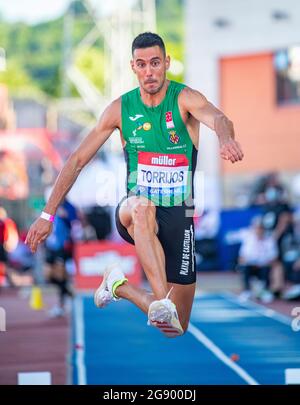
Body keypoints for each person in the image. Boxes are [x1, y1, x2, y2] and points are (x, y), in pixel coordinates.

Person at [25, 32, 244, 337]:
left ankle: (120, 286)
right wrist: (47, 215)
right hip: (135, 209)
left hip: (180, 214)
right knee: (142, 208)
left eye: (155, 62)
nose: (149, 71)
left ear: (166, 62)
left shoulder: (184, 99)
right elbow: (76, 160)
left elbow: (220, 118)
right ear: (133, 66)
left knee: (175, 328)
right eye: (141, 64)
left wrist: (225, 138)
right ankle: (161, 302)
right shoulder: (120, 109)